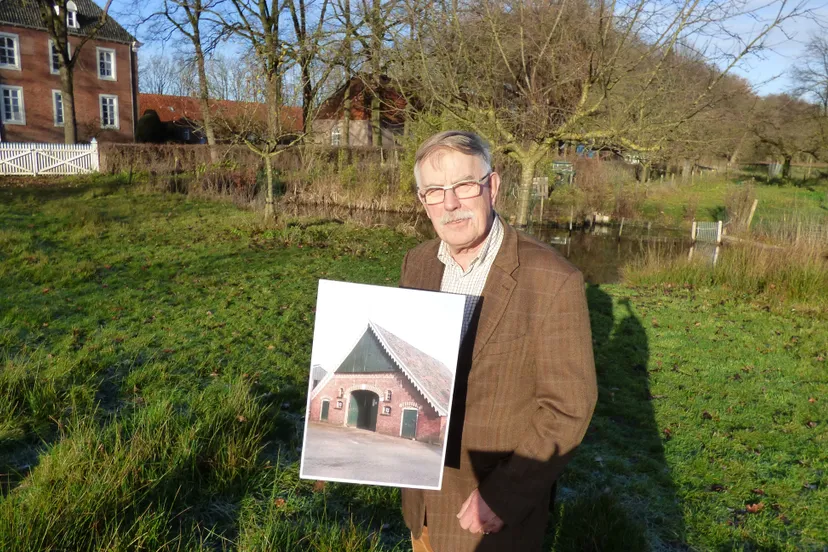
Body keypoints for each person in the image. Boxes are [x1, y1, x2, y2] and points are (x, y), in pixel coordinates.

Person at [398, 131, 598, 552]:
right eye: (434, 191)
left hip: (489, 513)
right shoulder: (417, 263)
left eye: (464, 185)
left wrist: (503, 497)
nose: (450, 203)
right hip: (421, 504)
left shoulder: (553, 280)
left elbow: (568, 408)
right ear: (423, 201)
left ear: (492, 186)